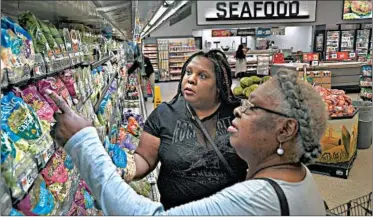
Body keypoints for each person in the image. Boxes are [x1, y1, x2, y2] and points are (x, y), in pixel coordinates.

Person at [48, 68, 328, 215]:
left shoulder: (257, 200)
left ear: (286, 129)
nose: (240, 109)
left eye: (254, 107)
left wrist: (83, 141)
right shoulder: (299, 178)